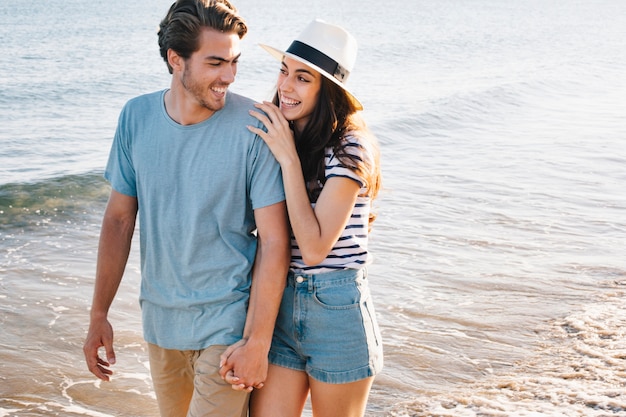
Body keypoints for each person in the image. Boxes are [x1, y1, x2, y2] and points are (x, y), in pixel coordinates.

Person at [82, 1, 290, 416]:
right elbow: (119, 220)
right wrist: (98, 315)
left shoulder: (255, 125)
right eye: (215, 62)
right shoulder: (135, 117)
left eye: (234, 62)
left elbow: (273, 240)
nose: (228, 76)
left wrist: (258, 341)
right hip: (161, 323)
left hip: (227, 324)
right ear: (176, 60)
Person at [219, 19, 384, 417]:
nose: (285, 87)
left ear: (327, 90)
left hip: (337, 311)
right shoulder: (286, 135)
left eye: (303, 78)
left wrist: (288, 159)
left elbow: (313, 247)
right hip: (282, 305)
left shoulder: (350, 149)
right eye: (283, 71)